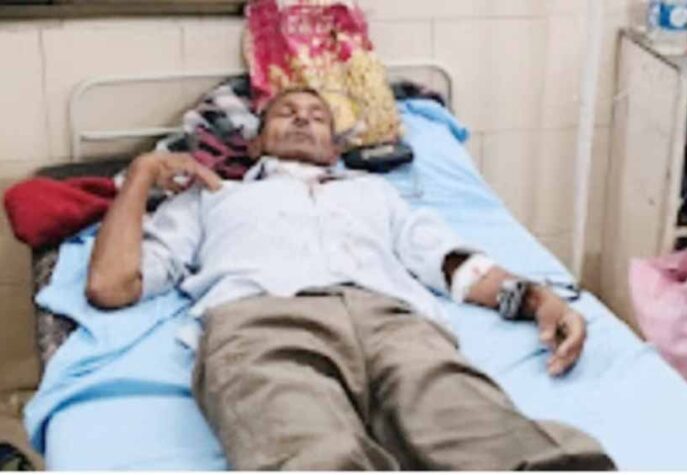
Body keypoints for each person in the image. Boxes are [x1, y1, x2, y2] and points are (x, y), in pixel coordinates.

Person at [86, 88, 615, 470]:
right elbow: (111, 286)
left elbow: (448, 261)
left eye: (317, 116)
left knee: (490, 439)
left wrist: (536, 298)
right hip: (263, 325)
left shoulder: (377, 193)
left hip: (395, 324)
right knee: (310, 455)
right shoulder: (214, 198)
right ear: (255, 144)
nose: (302, 118)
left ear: (334, 148)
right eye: (285, 113)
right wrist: (141, 175)